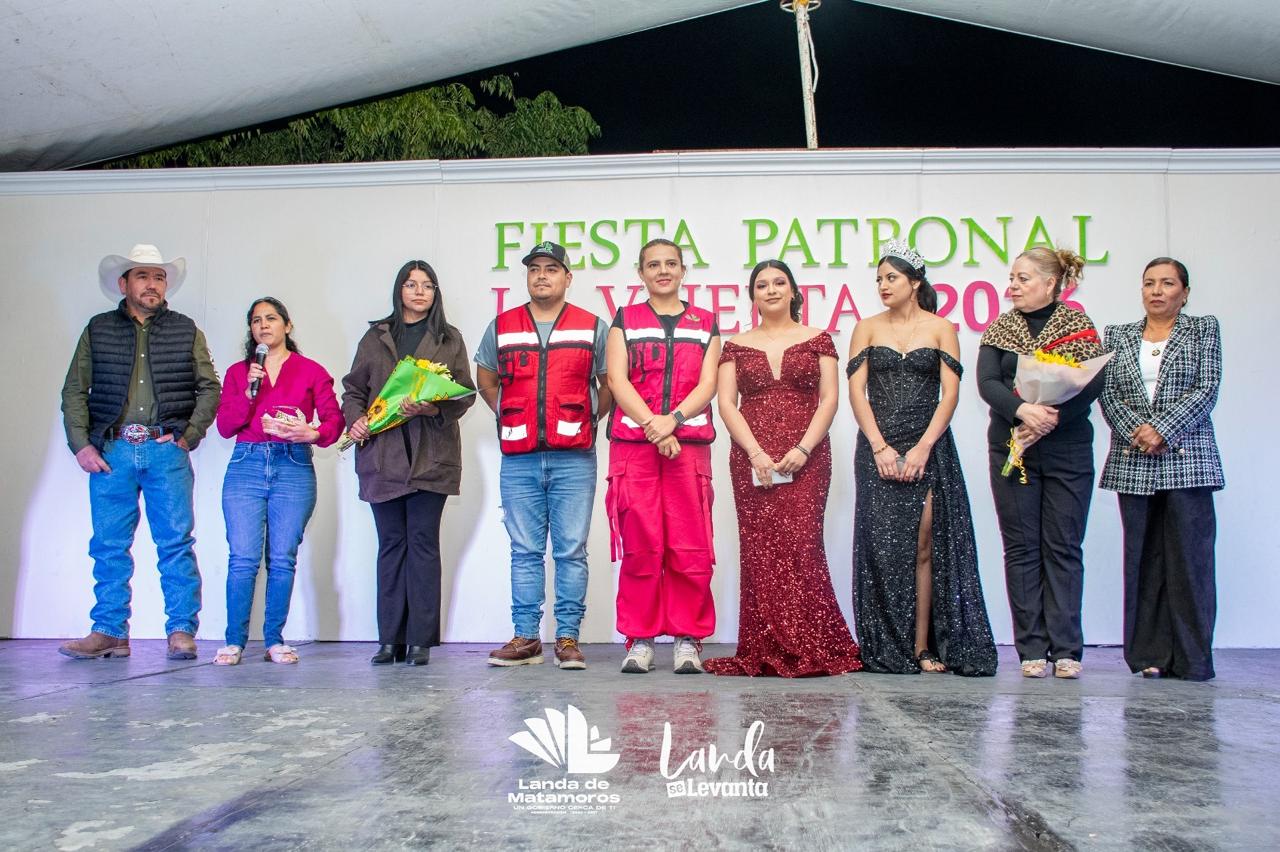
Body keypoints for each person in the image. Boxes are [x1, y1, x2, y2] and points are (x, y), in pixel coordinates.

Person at [58, 244, 221, 660]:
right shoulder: (98, 329)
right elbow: (74, 390)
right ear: (124, 284)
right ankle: (110, 631)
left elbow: (209, 387)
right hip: (111, 451)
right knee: (109, 545)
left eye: (159, 277)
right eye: (143, 276)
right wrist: (81, 445)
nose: (153, 284)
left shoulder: (185, 329)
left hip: (165, 451)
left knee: (175, 543)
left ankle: (181, 630)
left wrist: (190, 434)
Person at [703, 260, 862, 677]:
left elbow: (830, 399)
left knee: (802, 546)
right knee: (760, 551)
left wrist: (804, 448)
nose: (771, 290)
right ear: (752, 295)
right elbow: (726, 404)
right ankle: (763, 645)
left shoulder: (819, 339)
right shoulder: (735, 345)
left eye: (779, 283)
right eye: (762, 285)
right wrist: (755, 452)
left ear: (793, 291)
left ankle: (812, 642)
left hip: (807, 457)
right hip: (750, 458)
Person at [847, 239, 998, 676]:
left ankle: (921, 647)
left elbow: (950, 394)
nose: (883, 285)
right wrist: (879, 446)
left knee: (923, 545)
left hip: (927, 446)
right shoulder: (866, 328)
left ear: (915, 282)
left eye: (891, 277)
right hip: (876, 446)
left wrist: (923, 447)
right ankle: (884, 644)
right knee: (881, 549)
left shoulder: (941, 328)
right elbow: (857, 392)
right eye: (879, 279)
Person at [476, 241, 611, 671]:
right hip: (519, 459)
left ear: (567, 278)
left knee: (571, 550)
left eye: (551, 268)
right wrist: (508, 413)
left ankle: (567, 637)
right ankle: (526, 637)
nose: (541, 275)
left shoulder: (592, 326)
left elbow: (609, 383)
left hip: (574, 458)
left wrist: (587, 417)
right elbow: (486, 379)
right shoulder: (502, 326)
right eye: (534, 268)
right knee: (524, 551)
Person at [978, 246, 1106, 679]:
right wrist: (1023, 412)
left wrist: (1050, 418)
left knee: (1063, 545)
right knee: (1021, 547)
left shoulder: (1078, 326)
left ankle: (1067, 649)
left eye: (1023, 278)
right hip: (1013, 447)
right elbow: (988, 383)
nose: (1013, 286)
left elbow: (1092, 384)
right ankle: (1031, 648)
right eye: (1012, 278)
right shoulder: (1001, 329)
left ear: (1051, 283)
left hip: (1067, 448)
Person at [342, 261, 476, 666]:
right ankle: (389, 639)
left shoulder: (449, 338)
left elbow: (464, 394)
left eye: (428, 285)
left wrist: (431, 408)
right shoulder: (376, 336)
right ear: (399, 289)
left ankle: (420, 640)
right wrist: (356, 419)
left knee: (422, 544)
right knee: (390, 546)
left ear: (436, 293)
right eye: (412, 284)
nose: (419, 292)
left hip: (430, 458)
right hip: (383, 457)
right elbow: (353, 391)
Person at [1100, 258, 1223, 680]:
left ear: (1184, 293)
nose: (1156, 291)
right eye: (1149, 283)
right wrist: (1139, 432)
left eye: (1167, 283)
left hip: (1188, 460)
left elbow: (1206, 388)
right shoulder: (1117, 335)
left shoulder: (1203, 329)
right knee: (1143, 560)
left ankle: (1192, 659)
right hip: (1134, 460)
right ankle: (1148, 655)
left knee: (1190, 563)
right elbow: (1108, 394)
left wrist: (1163, 430)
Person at [606, 238, 721, 674]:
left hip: (687, 449)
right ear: (641, 273)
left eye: (671, 263)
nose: (663, 271)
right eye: (653, 265)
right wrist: (654, 428)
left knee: (690, 546)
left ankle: (687, 639)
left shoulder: (705, 322)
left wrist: (672, 420)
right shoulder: (624, 319)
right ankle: (640, 639)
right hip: (635, 450)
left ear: (683, 270)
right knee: (641, 545)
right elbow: (617, 380)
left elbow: (708, 384)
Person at [212, 298, 343, 665]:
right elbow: (225, 426)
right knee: (243, 557)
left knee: (282, 558)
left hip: (292, 465)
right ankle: (234, 641)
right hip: (247, 463)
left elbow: (334, 422)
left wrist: (312, 433)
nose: (264, 325)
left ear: (288, 325)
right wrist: (246, 393)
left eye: (271, 318)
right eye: (256, 320)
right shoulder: (240, 373)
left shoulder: (311, 371)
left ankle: (274, 639)